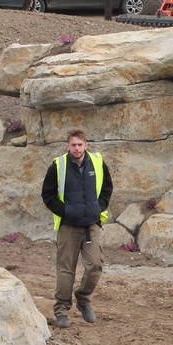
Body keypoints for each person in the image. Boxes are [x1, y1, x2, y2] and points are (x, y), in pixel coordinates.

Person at [40, 129, 112, 328]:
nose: (77, 148)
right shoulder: (58, 166)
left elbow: (107, 188)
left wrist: (97, 208)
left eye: (80, 145)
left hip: (91, 225)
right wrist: (66, 211)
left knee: (95, 266)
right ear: (68, 146)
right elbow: (48, 195)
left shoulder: (97, 162)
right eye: (73, 145)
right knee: (65, 270)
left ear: (86, 145)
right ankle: (62, 310)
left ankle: (83, 298)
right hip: (69, 227)